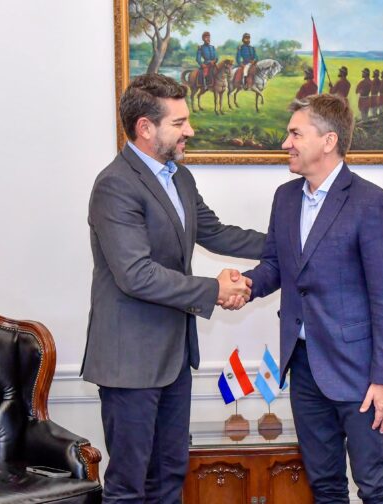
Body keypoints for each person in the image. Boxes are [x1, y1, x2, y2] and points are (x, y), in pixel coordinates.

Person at [81, 73, 265, 504]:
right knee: (130, 487)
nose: (190, 131)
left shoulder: (179, 177)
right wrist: (213, 289)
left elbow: (216, 232)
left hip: (174, 357)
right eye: (179, 123)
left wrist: (292, 243)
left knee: (169, 477)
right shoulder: (115, 184)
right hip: (130, 362)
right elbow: (136, 273)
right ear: (145, 127)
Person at [240, 93, 383, 503]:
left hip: (361, 372)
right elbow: (276, 266)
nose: (286, 143)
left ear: (328, 140)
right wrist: (241, 286)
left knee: (374, 485)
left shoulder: (372, 203)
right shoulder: (285, 198)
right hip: (303, 366)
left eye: (295, 134)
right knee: (325, 486)